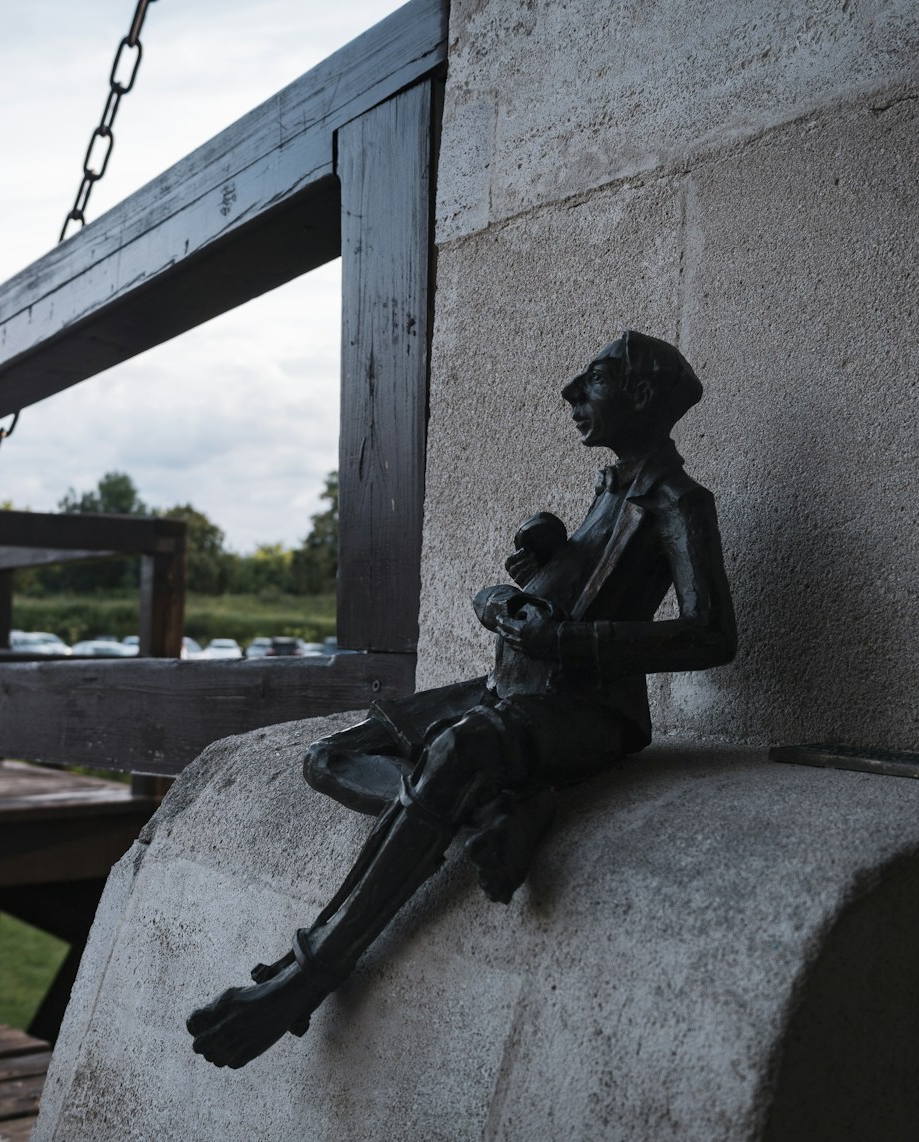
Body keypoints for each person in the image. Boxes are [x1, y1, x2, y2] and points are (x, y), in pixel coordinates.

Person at [188, 330, 738, 1068]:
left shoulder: (678, 501)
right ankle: (495, 810)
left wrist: (569, 643)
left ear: (642, 395)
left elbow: (712, 634)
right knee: (331, 757)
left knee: (457, 749)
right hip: (508, 688)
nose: (572, 393)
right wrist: (543, 563)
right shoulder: (609, 487)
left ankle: (307, 975)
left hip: (582, 709)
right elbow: (572, 591)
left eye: (596, 378)